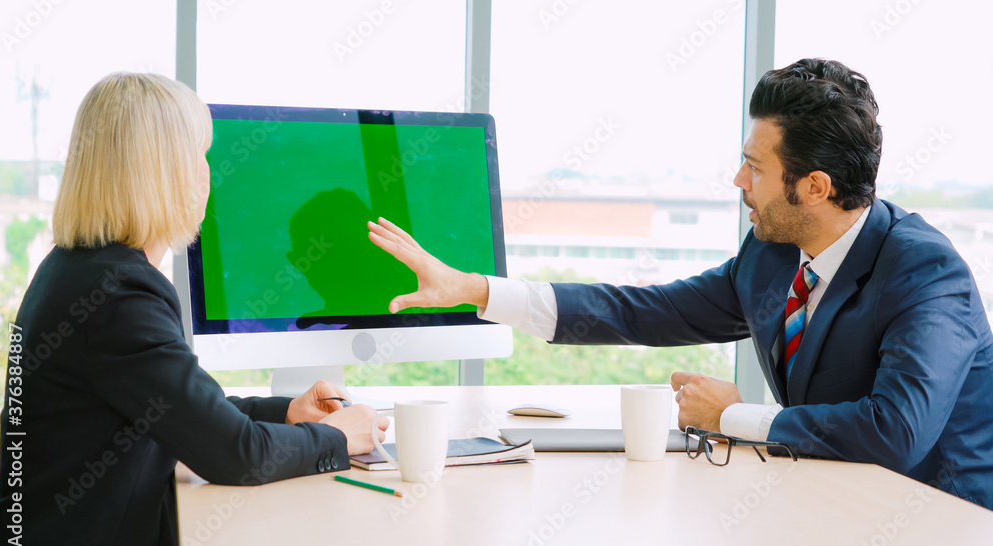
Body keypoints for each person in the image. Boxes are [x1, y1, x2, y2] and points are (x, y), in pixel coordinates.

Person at [367, 58, 993, 510]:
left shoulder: (924, 272)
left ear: (816, 187)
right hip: (832, 500)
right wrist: (475, 288)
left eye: (756, 167)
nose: (738, 181)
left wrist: (735, 415)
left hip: (938, 523)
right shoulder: (774, 254)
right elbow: (645, 311)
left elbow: (896, 432)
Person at [0, 72, 388, 546]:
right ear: (165, 172)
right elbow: (234, 454)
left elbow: (184, 410)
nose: (209, 172)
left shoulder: (76, 270)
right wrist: (337, 437)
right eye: (200, 155)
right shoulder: (120, 295)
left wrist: (286, 412)